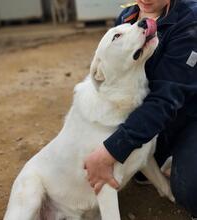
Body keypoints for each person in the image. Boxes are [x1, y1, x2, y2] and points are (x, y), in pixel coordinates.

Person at [84, 0, 197, 218]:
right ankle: (165, 154)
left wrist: (111, 150)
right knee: (136, 168)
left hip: (189, 114)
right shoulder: (128, 17)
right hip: (156, 116)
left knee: (190, 191)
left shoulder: (190, 22)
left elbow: (166, 99)